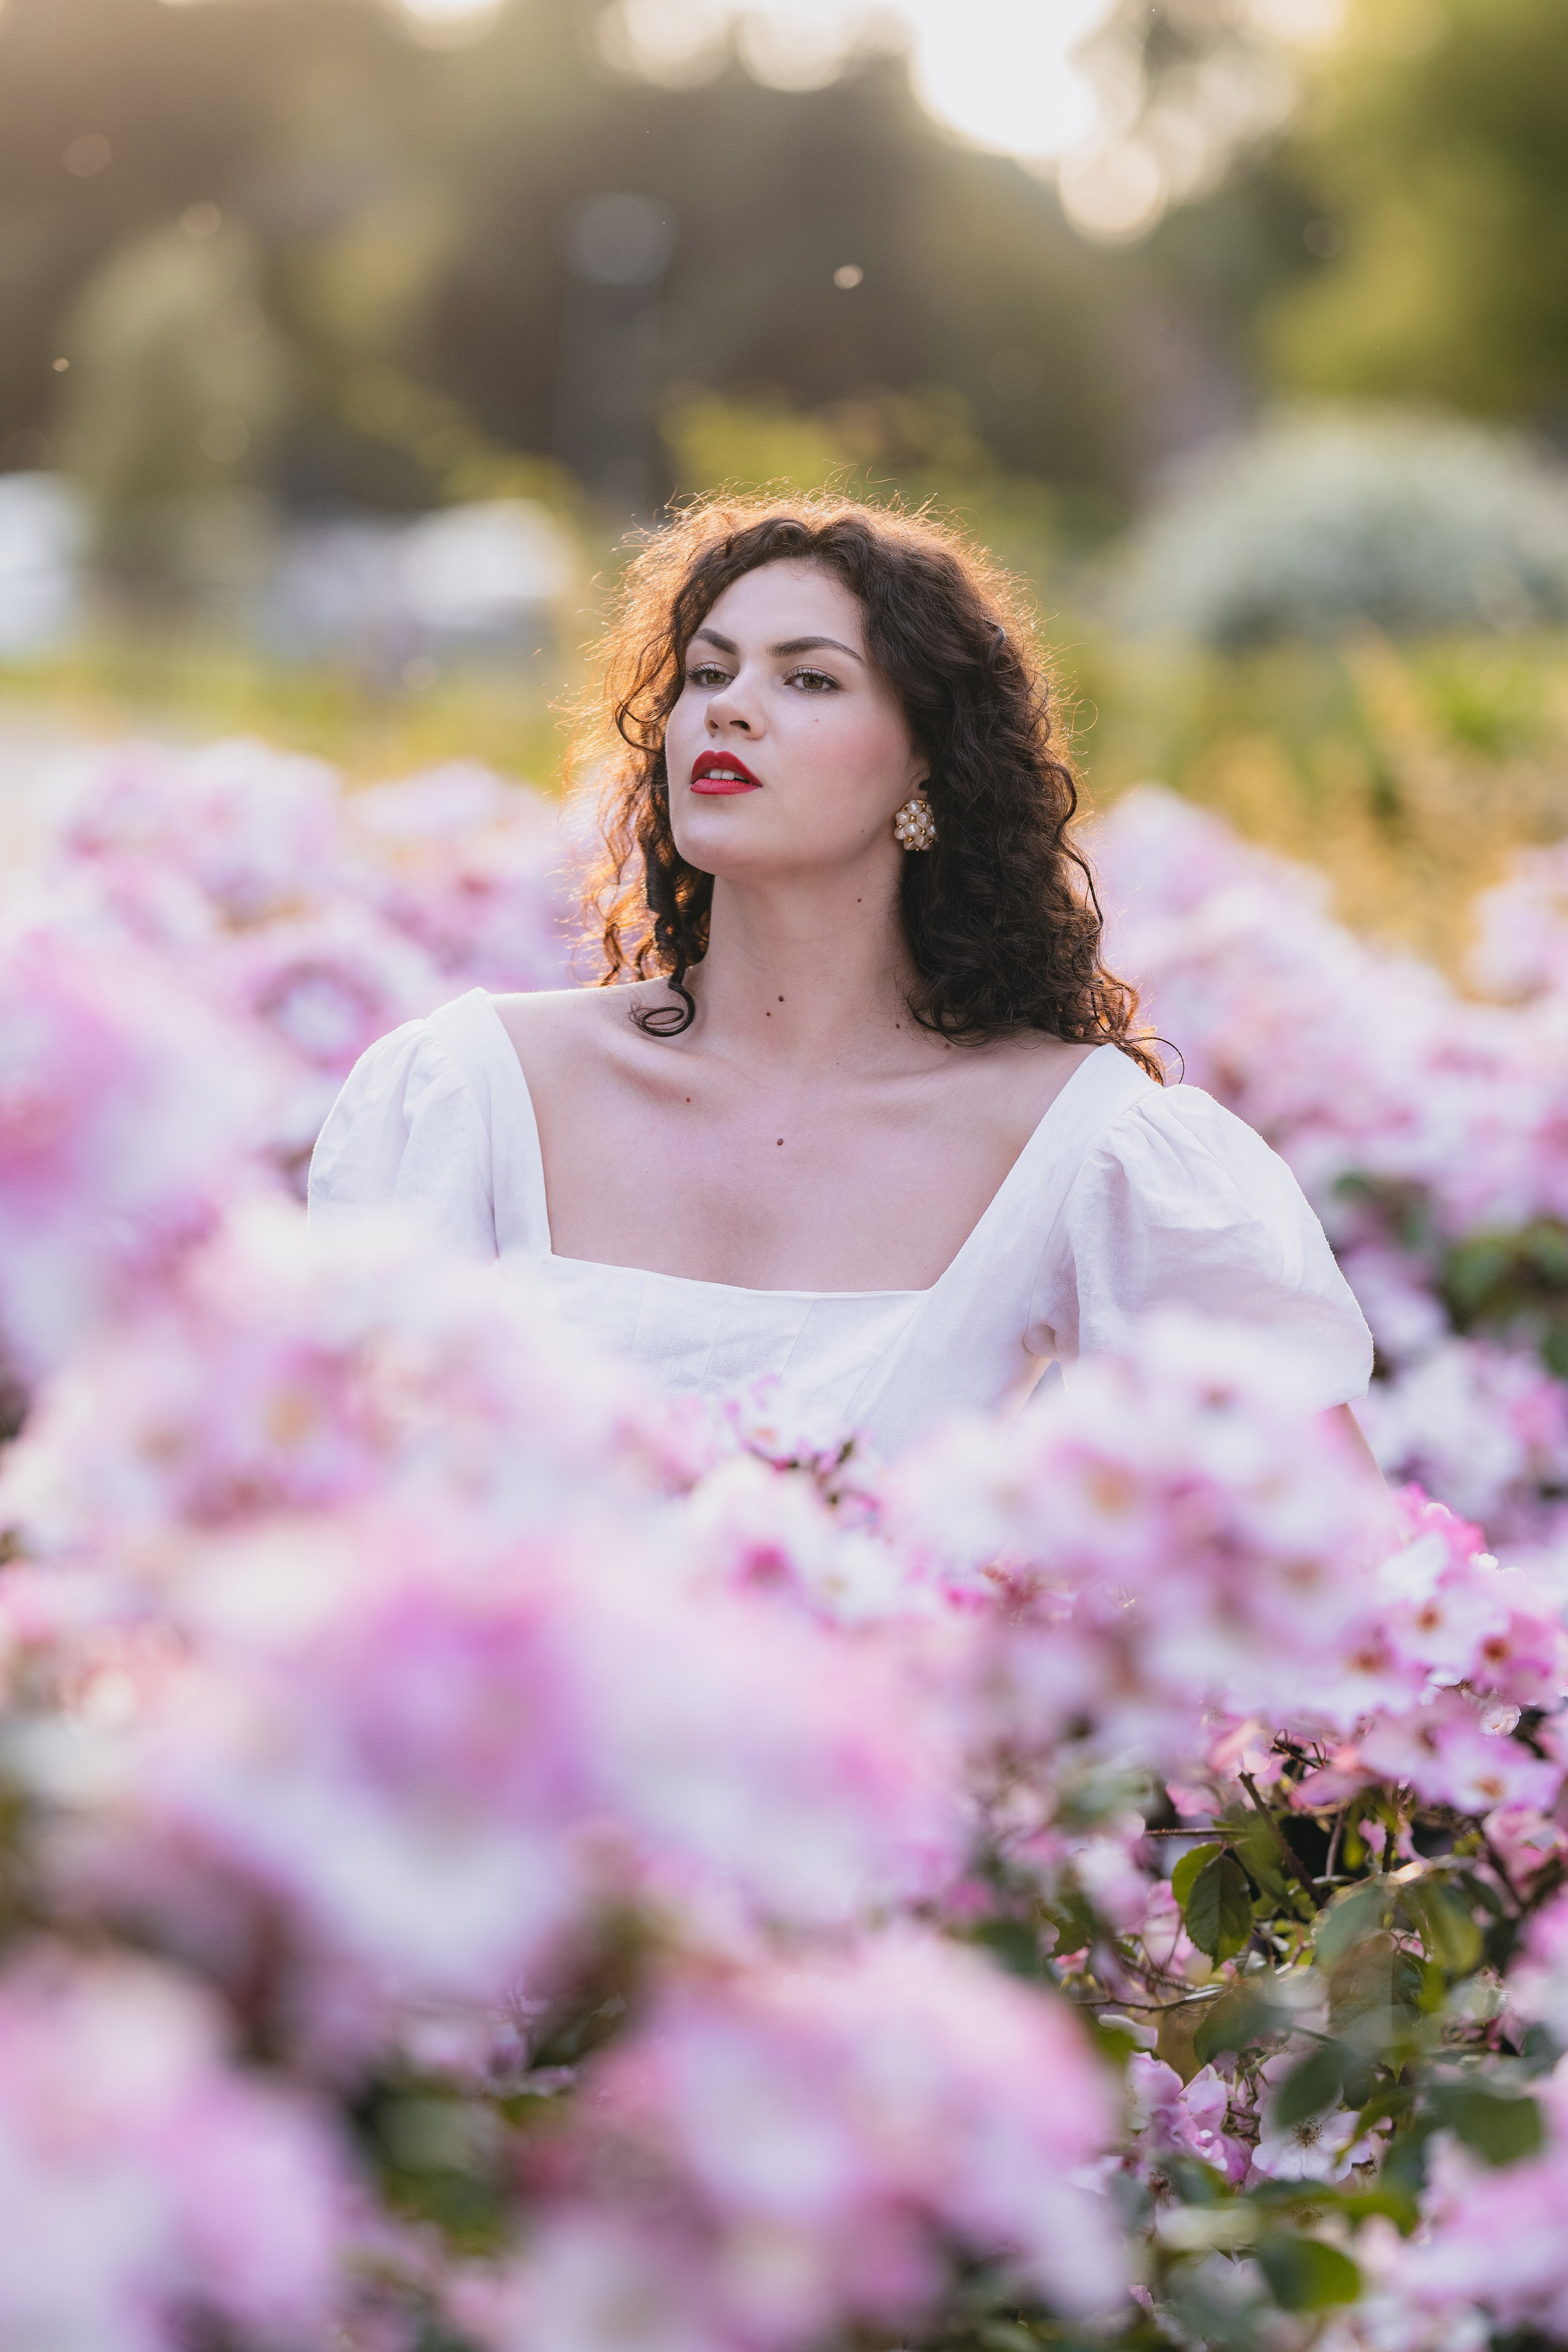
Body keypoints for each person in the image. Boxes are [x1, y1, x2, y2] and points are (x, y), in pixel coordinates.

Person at [309, 496, 1374, 1463]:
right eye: (708, 672)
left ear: (927, 766)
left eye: (808, 678)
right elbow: (331, 1506)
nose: (729, 709)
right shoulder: (473, 1089)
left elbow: (1320, 1555)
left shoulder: (1087, 1143)